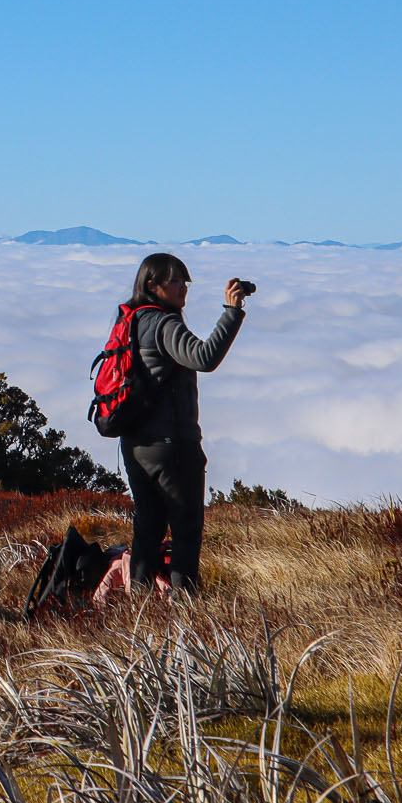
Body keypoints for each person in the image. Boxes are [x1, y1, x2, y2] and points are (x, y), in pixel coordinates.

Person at [121, 254, 247, 597]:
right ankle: (186, 611)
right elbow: (204, 358)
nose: (183, 288)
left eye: (185, 281)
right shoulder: (164, 324)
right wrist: (232, 311)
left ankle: (138, 607)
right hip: (171, 448)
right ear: (152, 286)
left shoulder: (132, 319)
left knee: (148, 529)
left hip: (136, 445)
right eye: (174, 281)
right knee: (186, 531)